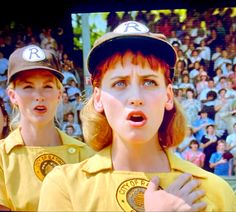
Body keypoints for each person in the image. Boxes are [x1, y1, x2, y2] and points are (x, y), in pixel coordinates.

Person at [38, 21, 236, 211]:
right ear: (98, 99)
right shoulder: (65, 186)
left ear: (168, 96)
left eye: (149, 82)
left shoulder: (216, 192)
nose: (135, 98)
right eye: (120, 83)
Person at [0, 45, 95, 211]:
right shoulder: (2, 157)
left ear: (59, 94)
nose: (39, 96)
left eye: (48, 86)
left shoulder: (85, 155)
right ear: (12, 96)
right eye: (28, 87)